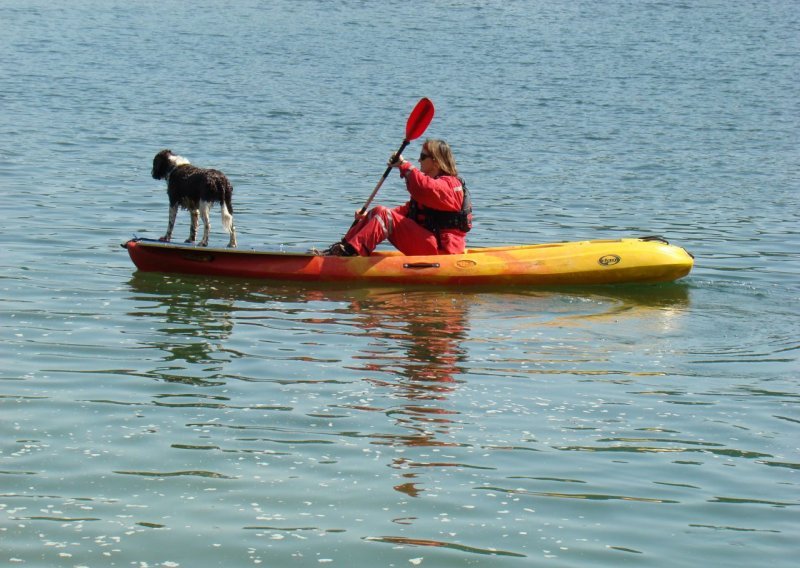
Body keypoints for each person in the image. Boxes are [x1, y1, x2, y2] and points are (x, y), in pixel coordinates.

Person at [321, 139, 472, 256]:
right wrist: (368, 219)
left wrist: (404, 165)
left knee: (385, 217)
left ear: (436, 162)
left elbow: (423, 187)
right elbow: (405, 212)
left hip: (443, 250)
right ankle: (342, 248)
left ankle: (349, 254)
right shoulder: (434, 187)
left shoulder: (451, 186)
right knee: (379, 211)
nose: (418, 160)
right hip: (429, 241)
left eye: (422, 156)